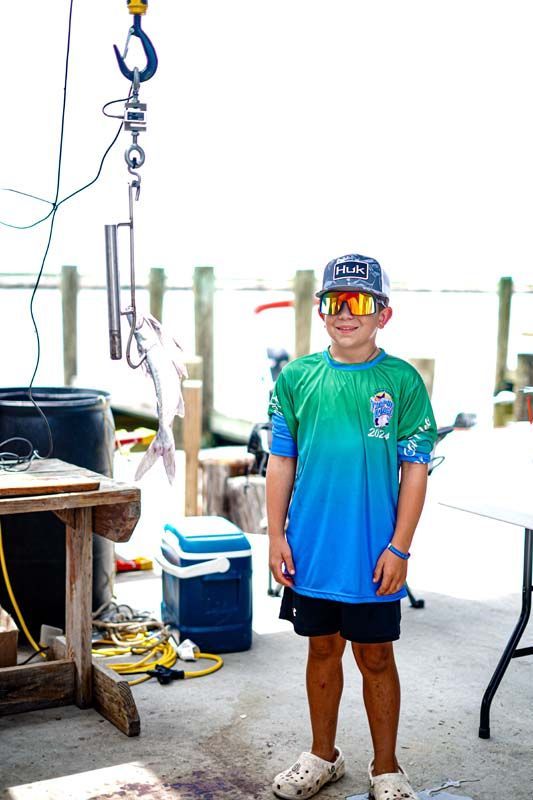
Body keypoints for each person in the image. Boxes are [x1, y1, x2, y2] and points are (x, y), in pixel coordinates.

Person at [266, 254, 437, 800]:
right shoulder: (296, 378)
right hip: (311, 551)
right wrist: (275, 535)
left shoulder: (403, 382)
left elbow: (415, 470)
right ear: (321, 311)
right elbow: (281, 461)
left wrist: (400, 548)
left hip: (374, 554)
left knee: (376, 657)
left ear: (382, 314)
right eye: (335, 301)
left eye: (359, 302)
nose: (347, 313)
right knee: (321, 650)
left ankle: (386, 768)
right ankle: (323, 756)